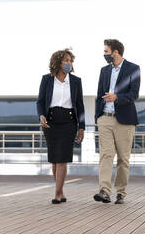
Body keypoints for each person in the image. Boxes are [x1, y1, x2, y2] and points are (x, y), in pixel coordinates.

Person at [94, 39, 141, 204]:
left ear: (115, 52)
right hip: (105, 118)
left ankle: (120, 192)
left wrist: (117, 97)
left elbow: (134, 94)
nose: (104, 54)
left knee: (123, 158)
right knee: (105, 155)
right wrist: (97, 118)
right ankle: (104, 191)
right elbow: (99, 94)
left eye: (106, 51)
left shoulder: (133, 69)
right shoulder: (104, 71)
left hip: (125, 121)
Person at [36, 49, 85, 204]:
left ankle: (57, 193)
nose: (68, 63)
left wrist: (81, 127)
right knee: (54, 159)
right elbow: (40, 101)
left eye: (70, 61)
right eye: (66, 60)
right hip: (50, 121)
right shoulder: (47, 80)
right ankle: (61, 191)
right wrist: (41, 115)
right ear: (57, 62)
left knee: (63, 158)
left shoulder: (76, 81)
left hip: (69, 122)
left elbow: (80, 105)